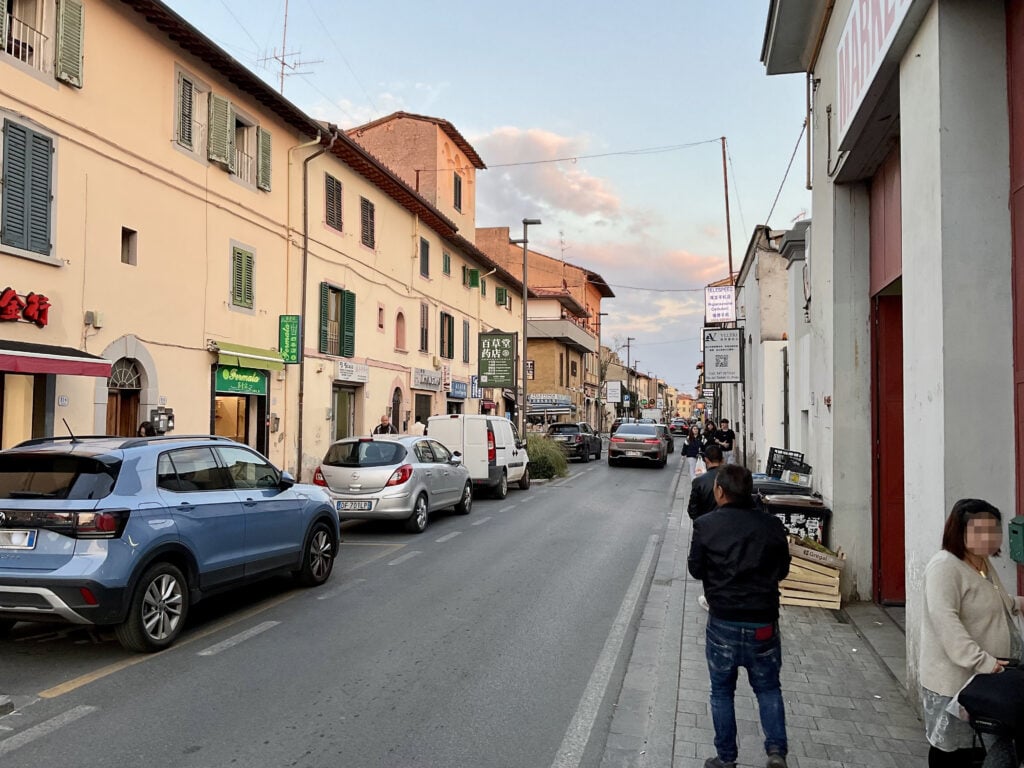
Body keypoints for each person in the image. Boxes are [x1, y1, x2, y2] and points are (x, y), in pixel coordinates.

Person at [688, 464, 791, 768]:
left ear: (719, 492)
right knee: (769, 688)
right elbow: (782, 570)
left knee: (721, 691)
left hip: (723, 623)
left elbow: (695, 569)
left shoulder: (706, 525)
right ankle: (775, 752)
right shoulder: (771, 525)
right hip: (763, 623)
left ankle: (726, 758)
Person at [920, 498, 1024, 768]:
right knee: (951, 748)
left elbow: (990, 600)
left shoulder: (980, 563)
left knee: (982, 745)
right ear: (958, 531)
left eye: (993, 530)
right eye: (979, 531)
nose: (988, 537)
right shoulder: (945, 567)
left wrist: (1016, 604)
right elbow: (946, 623)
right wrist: (984, 662)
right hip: (956, 680)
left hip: (986, 678)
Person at [688, 444, 724, 520]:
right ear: (722, 460)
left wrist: (700, 523)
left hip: (705, 524)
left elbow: (692, 510)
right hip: (727, 525)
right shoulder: (733, 478)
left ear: (706, 460)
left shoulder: (698, 481)